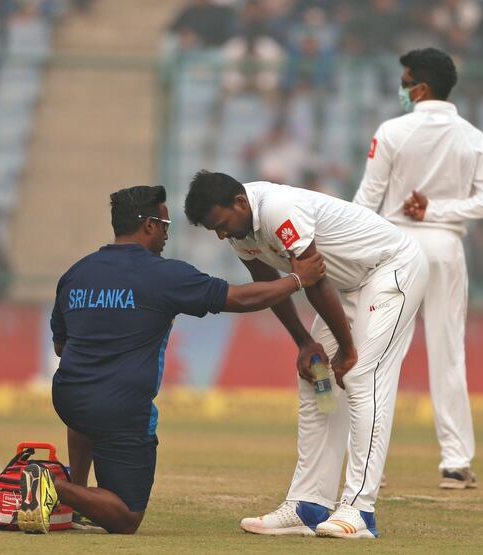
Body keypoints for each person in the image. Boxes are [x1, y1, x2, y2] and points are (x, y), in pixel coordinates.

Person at [16, 185, 327, 535]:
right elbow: (240, 299)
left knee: (86, 399)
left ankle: (76, 494)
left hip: (68, 399)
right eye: (165, 225)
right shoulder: (163, 275)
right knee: (126, 516)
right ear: (148, 225)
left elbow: (61, 347)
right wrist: (298, 279)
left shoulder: (76, 273)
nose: (166, 234)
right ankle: (53, 487)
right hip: (119, 409)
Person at [184, 170, 429, 539]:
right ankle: (309, 504)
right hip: (348, 287)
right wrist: (304, 343)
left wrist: (347, 351)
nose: (221, 234)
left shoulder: (280, 209)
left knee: (361, 375)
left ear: (239, 203)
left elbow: (311, 276)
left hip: (392, 267)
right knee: (318, 378)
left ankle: (360, 510)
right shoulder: (239, 231)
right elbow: (269, 286)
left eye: (221, 225)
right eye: (213, 231)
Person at [353, 47, 483, 489]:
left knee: (381, 357)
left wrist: (351, 253)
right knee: (449, 352)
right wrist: (439, 210)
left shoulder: (392, 131)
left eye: (405, 80)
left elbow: (367, 201)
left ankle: (370, 468)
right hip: (444, 247)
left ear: (419, 87)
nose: (401, 88)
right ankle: (455, 463)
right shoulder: (473, 136)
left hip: (395, 246)